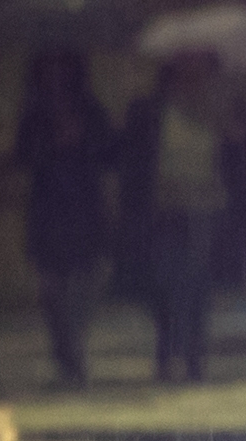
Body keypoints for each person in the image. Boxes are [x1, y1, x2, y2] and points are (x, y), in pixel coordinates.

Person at [15, 48, 117, 387]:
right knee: (53, 289)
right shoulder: (36, 114)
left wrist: (81, 139)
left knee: (84, 283)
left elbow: (108, 151)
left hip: (84, 208)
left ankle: (73, 350)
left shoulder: (89, 110)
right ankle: (66, 354)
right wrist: (52, 143)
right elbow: (22, 156)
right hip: (49, 209)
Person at [126, 51, 229, 383]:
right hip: (164, 209)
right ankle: (168, 352)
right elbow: (137, 159)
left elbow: (229, 159)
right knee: (165, 283)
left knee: (195, 284)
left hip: (203, 209)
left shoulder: (215, 110)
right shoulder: (152, 111)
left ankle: (193, 357)